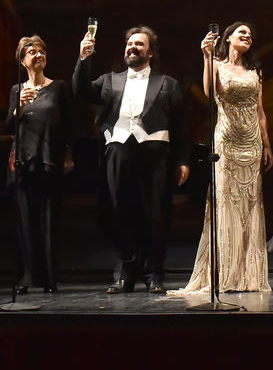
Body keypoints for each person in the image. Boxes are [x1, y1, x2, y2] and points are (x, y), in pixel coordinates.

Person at [73, 26, 190, 294]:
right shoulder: (109, 80)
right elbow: (81, 91)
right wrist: (83, 59)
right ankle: (126, 270)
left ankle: (153, 273)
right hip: (119, 150)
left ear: (151, 52)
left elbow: (181, 126)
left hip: (155, 153)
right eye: (129, 44)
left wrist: (183, 160)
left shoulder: (168, 84)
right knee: (119, 211)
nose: (132, 47)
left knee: (154, 214)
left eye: (139, 44)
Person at [174, 22, 273, 293]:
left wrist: (267, 145)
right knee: (226, 205)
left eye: (250, 34)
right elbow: (209, 94)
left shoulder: (255, 71)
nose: (247, 36)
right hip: (227, 142)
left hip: (251, 143)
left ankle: (248, 274)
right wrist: (206, 56)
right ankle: (225, 273)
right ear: (228, 38)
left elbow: (260, 111)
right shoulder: (217, 64)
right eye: (242, 32)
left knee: (250, 205)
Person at [7, 36, 75, 294]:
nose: (38, 55)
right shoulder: (17, 90)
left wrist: (69, 154)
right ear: (22, 61)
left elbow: (69, 125)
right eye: (32, 52)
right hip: (23, 163)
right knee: (24, 222)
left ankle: (49, 278)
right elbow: (9, 126)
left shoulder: (58, 88)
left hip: (49, 160)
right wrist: (20, 107)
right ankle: (25, 278)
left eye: (42, 51)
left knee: (49, 221)